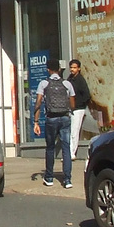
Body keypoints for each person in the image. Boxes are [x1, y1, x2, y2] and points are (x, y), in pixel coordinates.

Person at [33, 60, 76, 188]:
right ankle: (67, 180)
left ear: (48, 70)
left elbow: (38, 103)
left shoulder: (44, 83)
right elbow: (73, 103)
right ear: (59, 69)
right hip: (65, 118)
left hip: (51, 119)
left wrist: (36, 121)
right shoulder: (67, 84)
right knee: (66, 148)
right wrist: (69, 110)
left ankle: (49, 177)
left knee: (50, 148)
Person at [67, 58, 91, 159]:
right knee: (70, 130)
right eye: (71, 67)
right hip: (71, 108)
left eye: (74, 68)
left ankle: (72, 152)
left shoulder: (80, 80)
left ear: (79, 69)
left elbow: (87, 95)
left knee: (74, 131)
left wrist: (80, 105)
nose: (72, 69)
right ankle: (69, 152)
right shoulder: (69, 79)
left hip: (78, 109)